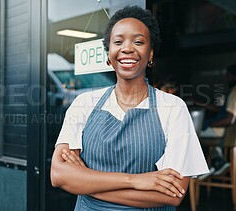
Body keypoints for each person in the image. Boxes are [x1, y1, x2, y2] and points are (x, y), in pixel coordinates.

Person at [50, 6, 209, 210]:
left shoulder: (172, 107)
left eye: (138, 41)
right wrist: (135, 180)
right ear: (109, 55)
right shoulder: (84, 103)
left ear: (150, 55)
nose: (127, 48)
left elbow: (173, 193)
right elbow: (58, 175)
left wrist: (84, 183)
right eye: (118, 42)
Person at [198, 64, 236, 179]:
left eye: (228, 76)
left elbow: (229, 120)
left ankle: (201, 168)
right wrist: (203, 105)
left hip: (225, 133)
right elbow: (226, 110)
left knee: (194, 134)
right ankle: (217, 162)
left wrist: (209, 124)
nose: (226, 79)